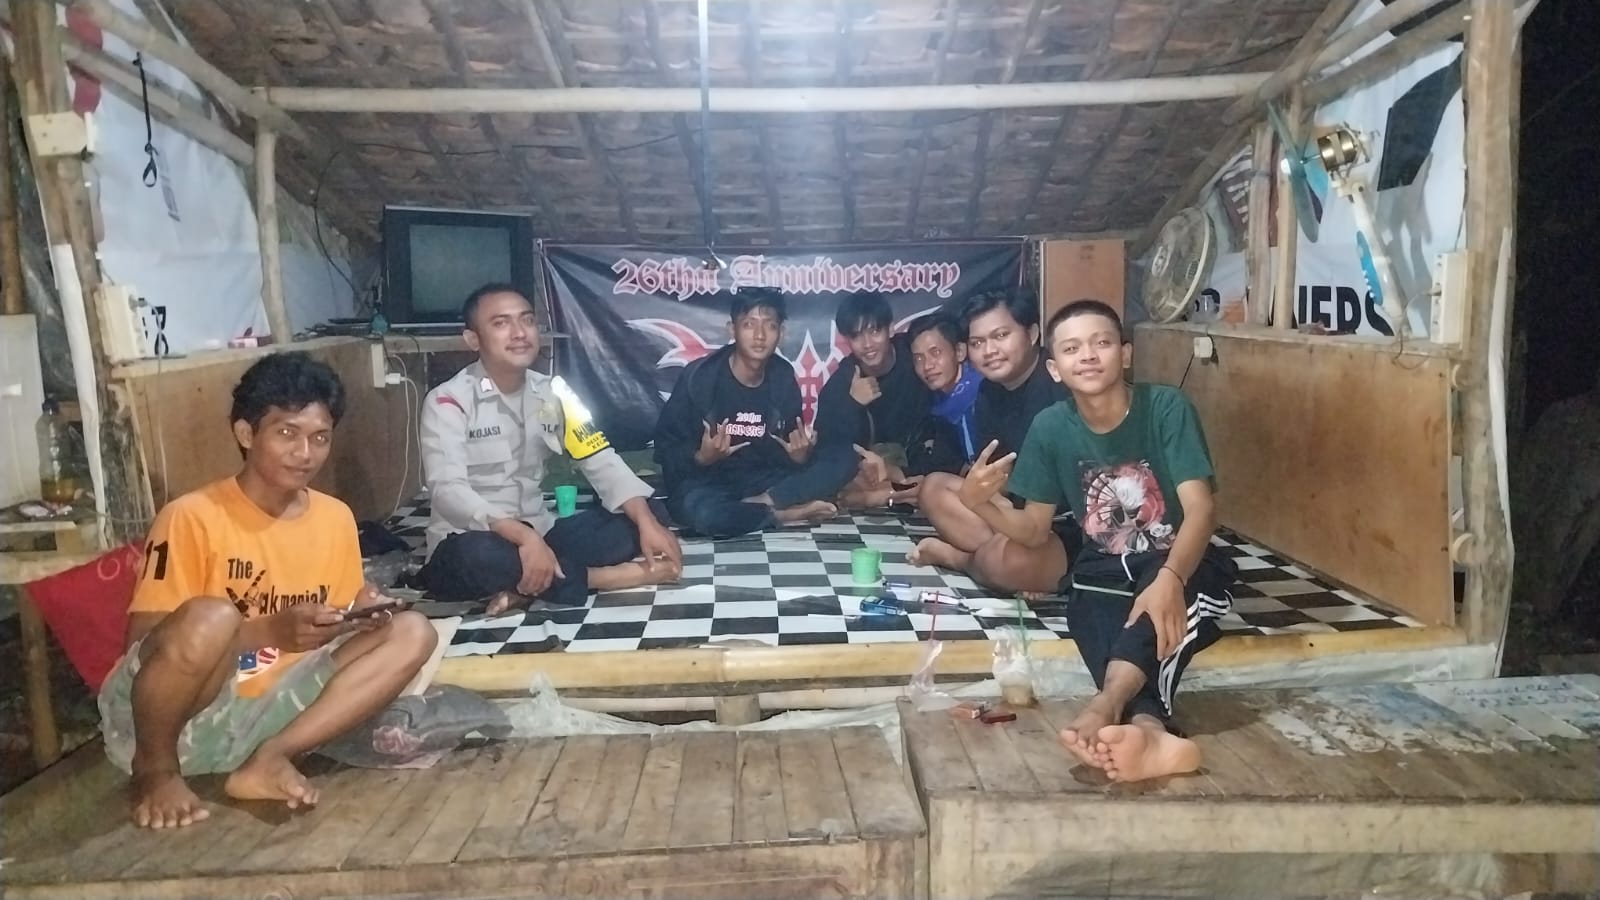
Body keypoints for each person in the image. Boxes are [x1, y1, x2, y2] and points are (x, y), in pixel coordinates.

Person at [98, 353, 438, 829]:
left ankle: (272, 757)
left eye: (320, 437)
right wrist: (268, 632)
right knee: (212, 616)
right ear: (245, 434)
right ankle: (154, 774)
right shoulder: (191, 516)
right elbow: (144, 643)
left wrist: (361, 611)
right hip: (175, 721)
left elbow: (338, 608)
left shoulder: (335, 517)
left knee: (414, 631)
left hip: (273, 709)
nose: (305, 452)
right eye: (287, 433)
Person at [960, 299, 1236, 782]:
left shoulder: (1165, 408)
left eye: (1101, 343)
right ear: (1054, 368)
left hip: (1179, 560)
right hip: (1101, 569)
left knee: (1154, 612)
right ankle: (1149, 731)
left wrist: (1171, 578)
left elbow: (1201, 509)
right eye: (1071, 349)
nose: (1087, 355)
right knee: (1098, 618)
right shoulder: (1051, 427)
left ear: (1125, 354)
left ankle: (1104, 707)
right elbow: (1034, 530)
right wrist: (977, 502)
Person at [419, 284, 681, 615]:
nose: (519, 333)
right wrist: (521, 536)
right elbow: (447, 490)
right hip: (472, 538)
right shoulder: (448, 401)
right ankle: (604, 578)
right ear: (473, 339)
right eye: (501, 323)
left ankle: (525, 586)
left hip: (542, 535)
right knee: (477, 556)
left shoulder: (555, 392)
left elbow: (599, 458)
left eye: (527, 320)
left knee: (648, 510)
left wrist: (645, 521)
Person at [908, 289, 1076, 593]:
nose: (989, 351)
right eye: (977, 343)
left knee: (1008, 561)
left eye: (1000, 336)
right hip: (1017, 518)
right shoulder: (988, 392)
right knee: (934, 488)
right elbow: (1001, 478)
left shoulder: (1061, 382)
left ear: (1032, 334)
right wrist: (984, 494)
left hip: (1064, 526)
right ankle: (1007, 561)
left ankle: (960, 559)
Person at [655, 288, 847, 537]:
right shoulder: (700, 378)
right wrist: (702, 457)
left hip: (763, 480)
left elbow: (784, 452)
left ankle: (762, 504)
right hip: (708, 483)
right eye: (749, 324)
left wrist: (799, 457)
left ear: (782, 334)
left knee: (843, 457)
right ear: (732, 330)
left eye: (770, 325)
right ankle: (783, 514)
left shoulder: (783, 377)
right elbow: (665, 450)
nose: (759, 335)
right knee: (703, 513)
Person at [811, 291, 933, 509]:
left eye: (875, 331)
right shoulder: (842, 381)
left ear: (891, 329)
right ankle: (899, 494)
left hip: (918, 458)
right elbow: (826, 445)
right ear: (847, 340)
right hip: (871, 469)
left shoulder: (915, 356)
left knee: (939, 465)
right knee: (839, 478)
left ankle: (883, 496)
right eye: (856, 336)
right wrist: (852, 404)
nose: (867, 344)